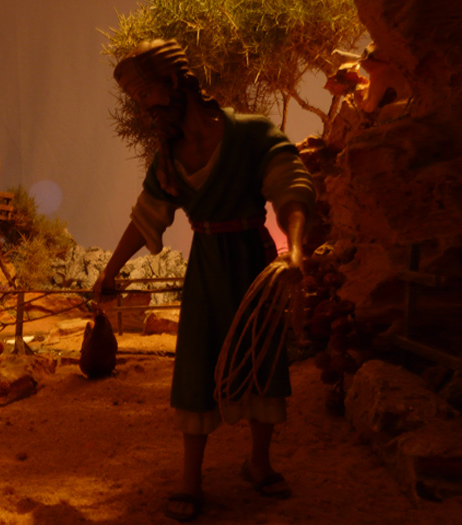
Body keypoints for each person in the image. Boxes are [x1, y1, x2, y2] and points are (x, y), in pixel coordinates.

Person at [93, 39, 316, 522]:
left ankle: (259, 463)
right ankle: (190, 479)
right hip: (206, 269)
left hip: (253, 263)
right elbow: (146, 218)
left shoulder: (252, 134)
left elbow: (290, 189)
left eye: (146, 95)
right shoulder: (169, 158)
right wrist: (111, 270)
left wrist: (295, 250)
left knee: (261, 356)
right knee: (196, 365)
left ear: (174, 83)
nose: (146, 109)